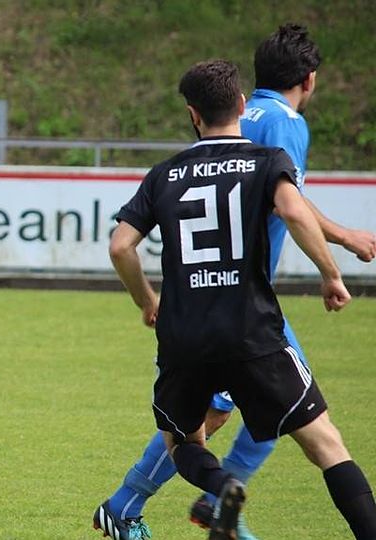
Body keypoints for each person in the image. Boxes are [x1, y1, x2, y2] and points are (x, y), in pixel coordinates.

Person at [93, 24, 376, 540]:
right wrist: (334, 264)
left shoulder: (166, 172)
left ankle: (207, 495)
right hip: (248, 311)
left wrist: (147, 300)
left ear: (193, 114)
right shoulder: (282, 129)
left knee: (198, 428)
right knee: (314, 433)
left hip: (187, 323)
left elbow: (120, 245)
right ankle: (175, 501)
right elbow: (291, 204)